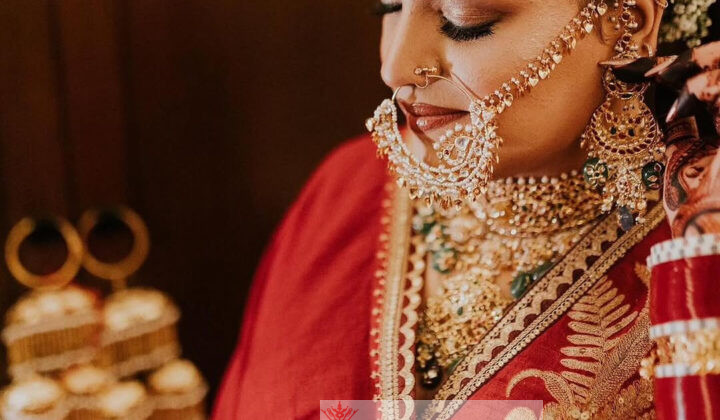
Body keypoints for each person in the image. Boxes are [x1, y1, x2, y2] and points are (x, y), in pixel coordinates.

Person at [214, 0, 720, 418]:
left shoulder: (698, 247)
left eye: (465, 22)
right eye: (388, 7)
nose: (395, 67)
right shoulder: (343, 192)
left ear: (629, 23)